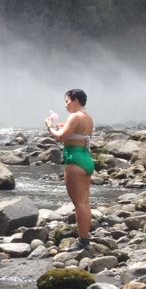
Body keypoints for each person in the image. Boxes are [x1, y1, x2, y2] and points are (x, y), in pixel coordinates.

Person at [45, 88, 95, 250]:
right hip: (86, 159)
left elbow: (60, 137)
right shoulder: (87, 117)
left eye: (67, 101)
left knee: (79, 204)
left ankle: (83, 240)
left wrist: (50, 127)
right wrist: (64, 126)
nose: (65, 105)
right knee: (85, 202)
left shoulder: (74, 116)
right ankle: (85, 237)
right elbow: (78, 134)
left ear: (75, 100)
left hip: (75, 160)